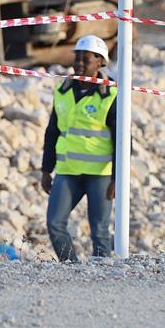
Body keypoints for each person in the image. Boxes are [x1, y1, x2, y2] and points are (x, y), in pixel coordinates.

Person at [40, 35, 117, 260]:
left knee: (100, 231)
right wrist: (46, 170)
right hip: (68, 171)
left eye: (86, 59)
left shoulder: (111, 95)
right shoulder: (63, 91)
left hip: (100, 174)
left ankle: (103, 276)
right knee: (55, 223)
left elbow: (122, 140)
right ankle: (72, 270)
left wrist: (117, 178)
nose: (80, 64)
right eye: (77, 59)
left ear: (100, 62)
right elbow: (52, 132)